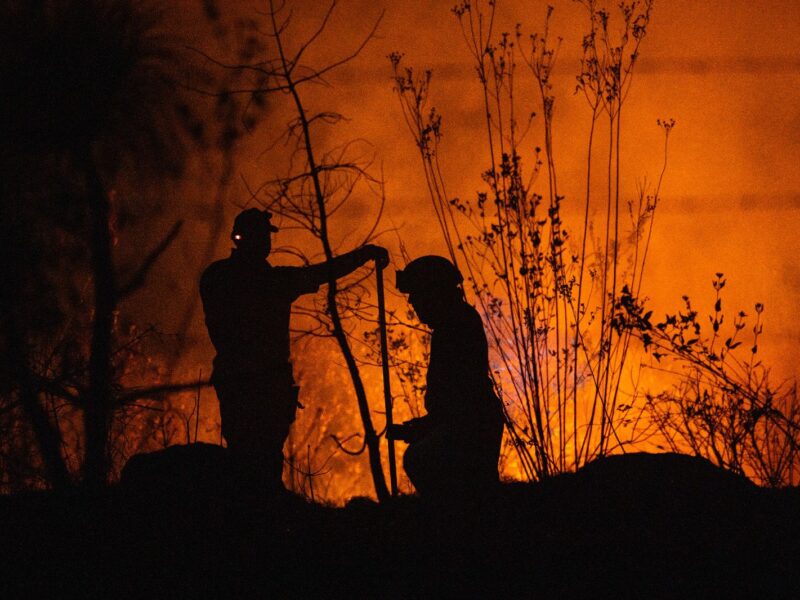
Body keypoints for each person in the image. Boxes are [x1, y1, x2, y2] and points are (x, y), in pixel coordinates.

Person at [200, 208, 388, 493]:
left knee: (244, 452)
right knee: (262, 457)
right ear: (243, 238)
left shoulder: (217, 277)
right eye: (261, 236)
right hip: (263, 381)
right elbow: (323, 272)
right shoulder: (270, 281)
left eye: (267, 236)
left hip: (236, 377)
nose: (266, 242)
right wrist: (364, 255)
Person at [388, 255, 504, 497]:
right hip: (472, 421)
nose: (412, 302)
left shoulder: (456, 327)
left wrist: (425, 427)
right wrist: (425, 426)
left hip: (473, 424)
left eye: (417, 295)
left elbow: (462, 397)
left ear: (434, 293)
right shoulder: (453, 325)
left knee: (421, 459)